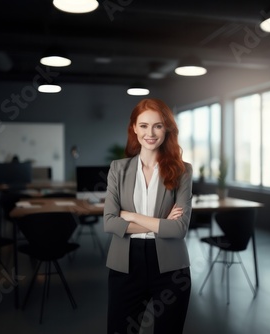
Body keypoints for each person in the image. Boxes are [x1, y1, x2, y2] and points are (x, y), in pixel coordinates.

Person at [103, 98, 193, 334]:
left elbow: (179, 229)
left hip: (171, 267)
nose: (150, 133)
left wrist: (131, 216)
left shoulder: (183, 171)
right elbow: (110, 222)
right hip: (125, 264)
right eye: (143, 125)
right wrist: (161, 224)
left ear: (167, 129)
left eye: (158, 125)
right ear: (134, 128)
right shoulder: (118, 169)